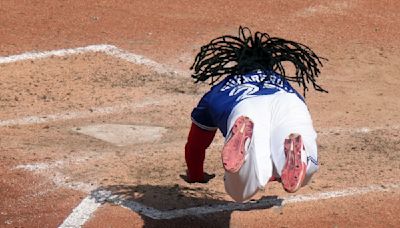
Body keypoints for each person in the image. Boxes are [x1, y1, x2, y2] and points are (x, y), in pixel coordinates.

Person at [183, 26, 327, 202]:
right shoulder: (282, 83)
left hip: (243, 107)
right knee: (302, 156)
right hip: (288, 102)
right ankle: (299, 156)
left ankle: (247, 154)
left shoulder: (218, 91)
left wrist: (196, 176)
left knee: (241, 190)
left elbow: (195, 147)